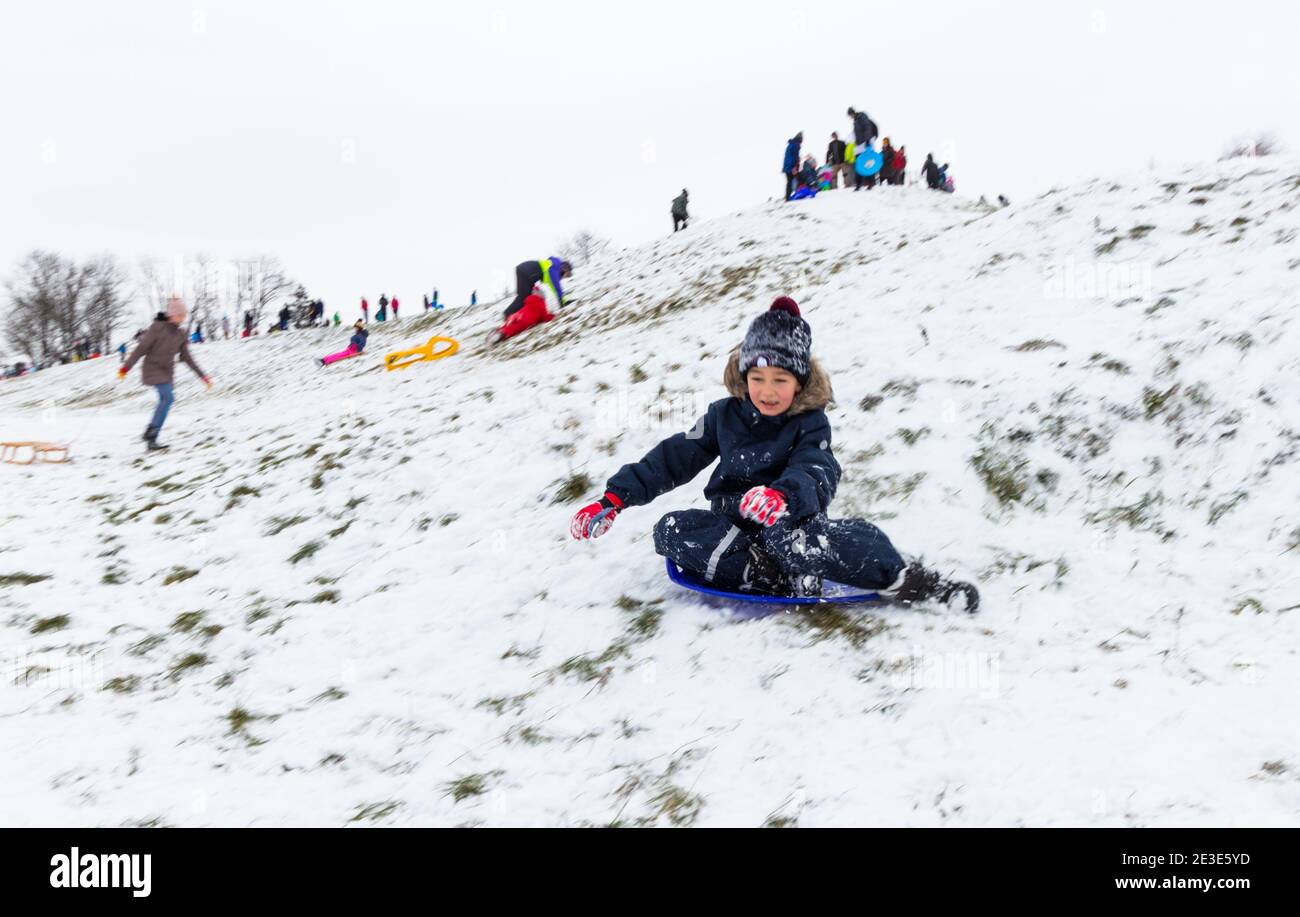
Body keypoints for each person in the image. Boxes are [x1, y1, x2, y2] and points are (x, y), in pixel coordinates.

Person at [568, 296, 979, 611]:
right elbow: (674, 456)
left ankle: (904, 578)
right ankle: (767, 574)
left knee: (810, 541)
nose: (767, 390)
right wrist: (615, 498)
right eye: (757, 378)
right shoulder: (723, 416)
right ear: (744, 376)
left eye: (780, 379)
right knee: (670, 530)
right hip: (734, 529)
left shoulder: (809, 423)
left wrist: (782, 496)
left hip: (790, 522)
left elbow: (816, 468)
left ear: (799, 383)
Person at [118, 295, 211, 451]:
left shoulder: (181, 334)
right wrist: (125, 368)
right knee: (168, 397)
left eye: (184, 315)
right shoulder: (157, 328)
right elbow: (141, 349)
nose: (182, 318)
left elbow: (187, 358)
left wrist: (203, 376)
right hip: (153, 369)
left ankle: (151, 437)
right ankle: (151, 432)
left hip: (167, 372)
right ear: (171, 314)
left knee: (166, 400)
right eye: (179, 315)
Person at [503, 259, 570, 318]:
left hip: (527, 271)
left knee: (528, 296)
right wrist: (562, 301)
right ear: (563, 268)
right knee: (523, 296)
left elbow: (554, 287)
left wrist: (562, 300)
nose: (563, 276)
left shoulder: (552, 265)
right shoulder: (554, 268)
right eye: (565, 272)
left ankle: (517, 315)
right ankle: (508, 313)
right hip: (526, 271)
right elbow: (557, 286)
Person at [847, 107, 878, 190]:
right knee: (859, 164)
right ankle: (859, 184)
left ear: (852, 113)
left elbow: (867, 127)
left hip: (866, 143)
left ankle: (871, 182)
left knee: (868, 162)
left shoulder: (862, 116)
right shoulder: (856, 120)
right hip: (860, 144)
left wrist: (868, 140)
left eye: (850, 115)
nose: (850, 117)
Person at [782, 132, 802, 201]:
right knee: (796, 179)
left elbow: (790, 157)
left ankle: (788, 196)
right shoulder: (796, 145)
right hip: (791, 167)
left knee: (789, 182)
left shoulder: (791, 144)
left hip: (787, 166)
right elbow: (795, 157)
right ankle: (797, 194)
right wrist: (795, 167)